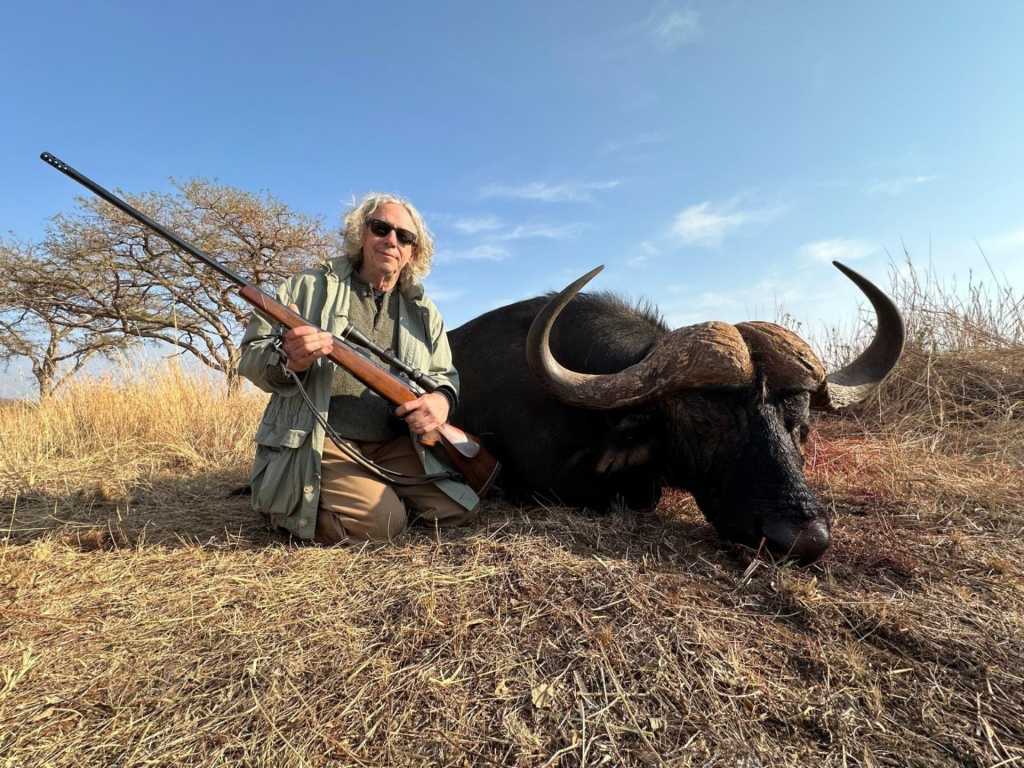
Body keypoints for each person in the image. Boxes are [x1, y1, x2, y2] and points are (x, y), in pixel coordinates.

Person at [238, 193, 479, 544]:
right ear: (361, 235)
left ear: (413, 252)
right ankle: (287, 508)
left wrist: (441, 401)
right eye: (380, 228)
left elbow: (444, 376)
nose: (391, 240)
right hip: (323, 437)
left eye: (404, 236)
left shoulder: (425, 311)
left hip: (392, 443)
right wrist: (289, 359)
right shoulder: (307, 286)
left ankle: (366, 495)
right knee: (385, 524)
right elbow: (252, 356)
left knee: (460, 507)